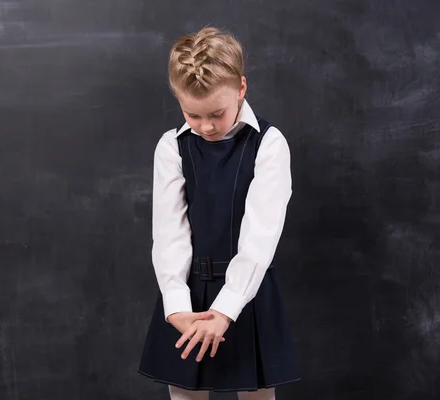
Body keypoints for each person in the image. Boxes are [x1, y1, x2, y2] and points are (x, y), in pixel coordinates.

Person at [138, 26, 300, 400]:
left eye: (216, 113)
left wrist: (226, 311)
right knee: (185, 396)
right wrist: (176, 307)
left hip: (248, 292)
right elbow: (169, 235)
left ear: (241, 88)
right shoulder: (172, 147)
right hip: (186, 293)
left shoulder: (269, 144)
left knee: (257, 396)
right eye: (192, 114)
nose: (206, 126)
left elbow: (260, 237)